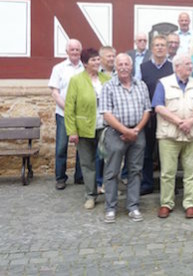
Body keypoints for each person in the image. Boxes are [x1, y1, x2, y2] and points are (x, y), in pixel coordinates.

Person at [100, 54, 151, 223]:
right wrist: (124, 130)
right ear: (115, 67)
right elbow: (106, 113)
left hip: (137, 131)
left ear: (131, 66)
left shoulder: (141, 85)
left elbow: (147, 110)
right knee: (112, 171)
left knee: (135, 171)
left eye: (126, 64)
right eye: (120, 64)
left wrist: (136, 129)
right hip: (116, 133)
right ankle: (110, 208)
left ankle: (133, 206)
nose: (123, 67)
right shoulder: (108, 86)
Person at [153, 54, 193, 219]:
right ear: (177, 67)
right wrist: (179, 122)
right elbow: (158, 106)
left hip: (190, 135)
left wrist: (192, 120)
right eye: (187, 64)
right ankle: (166, 204)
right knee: (168, 172)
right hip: (169, 135)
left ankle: (190, 204)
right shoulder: (164, 83)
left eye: (190, 64)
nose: (190, 67)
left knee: (191, 172)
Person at [64, 48, 111, 209]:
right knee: (87, 162)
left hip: (104, 127)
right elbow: (69, 108)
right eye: (93, 60)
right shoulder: (76, 81)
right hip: (84, 128)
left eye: (98, 59)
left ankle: (108, 190)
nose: (97, 62)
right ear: (85, 63)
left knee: (109, 159)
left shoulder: (106, 79)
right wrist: (72, 131)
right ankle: (91, 195)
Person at [139, 35, 174, 195]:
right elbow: (139, 89)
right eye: (157, 45)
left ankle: (169, 185)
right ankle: (147, 183)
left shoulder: (173, 68)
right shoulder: (143, 67)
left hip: (168, 116)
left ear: (167, 48)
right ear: (152, 48)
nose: (160, 48)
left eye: (162, 45)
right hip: (149, 116)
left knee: (168, 151)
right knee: (147, 151)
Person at [49, 38, 84, 190]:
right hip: (63, 113)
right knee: (62, 146)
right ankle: (60, 178)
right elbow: (55, 93)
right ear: (67, 51)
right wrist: (69, 109)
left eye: (77, 49)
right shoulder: (59, 68)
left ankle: (80, 176)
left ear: (80, 52)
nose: (75, 52)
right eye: (72, 49)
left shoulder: (86, 68)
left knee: (82, 147)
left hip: (82, 114)